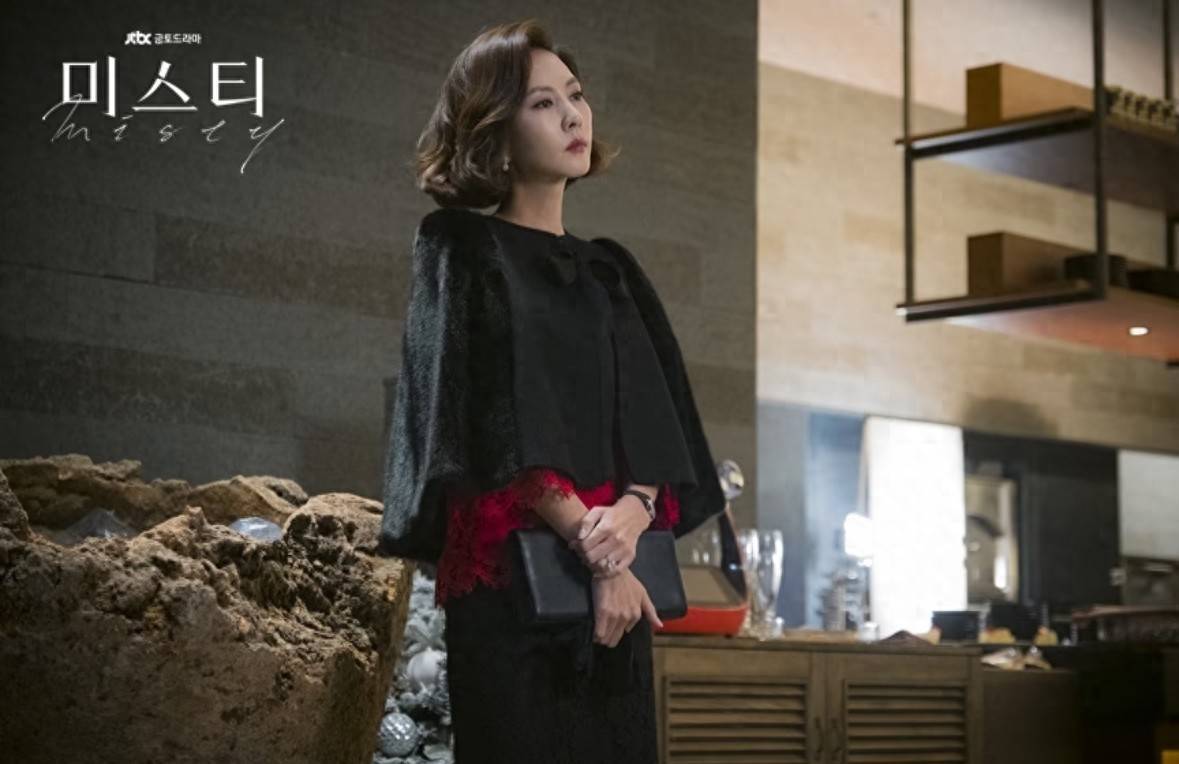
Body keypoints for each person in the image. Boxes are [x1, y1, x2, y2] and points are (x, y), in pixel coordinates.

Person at [378, 18, 726, 763]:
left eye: (576, 95)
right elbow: (477, 417)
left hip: (622, 587)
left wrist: (631, 517)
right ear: (496, 136)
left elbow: (652, 416)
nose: (573, 116)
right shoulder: (460, 249)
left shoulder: (610, 268)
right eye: (543, 103)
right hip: (514, 589)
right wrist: (600, 555)